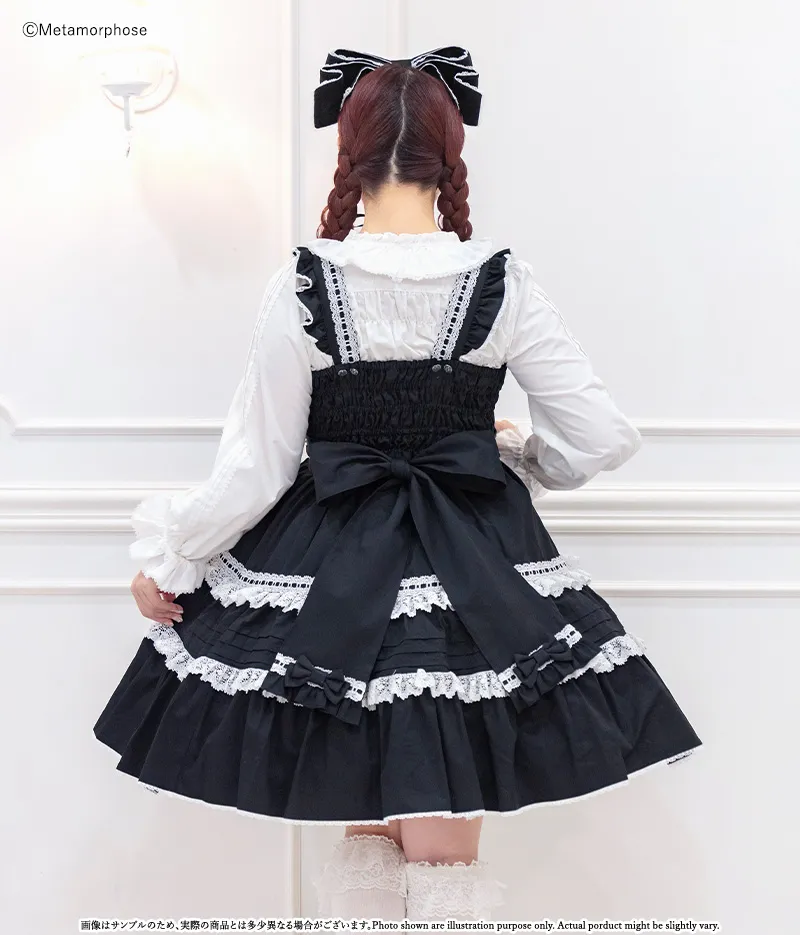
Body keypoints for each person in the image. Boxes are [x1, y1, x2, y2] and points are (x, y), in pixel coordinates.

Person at [93, 47, 702, 922]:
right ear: (449, 153)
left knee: (366, 833)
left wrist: (173, 558)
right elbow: (600, 436)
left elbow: (257, 464)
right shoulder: (501, 281)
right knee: (444, 853)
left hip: (328, 571)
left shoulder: (304, 283)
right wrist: (517, 458)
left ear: (350, 150)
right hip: (475, 565)